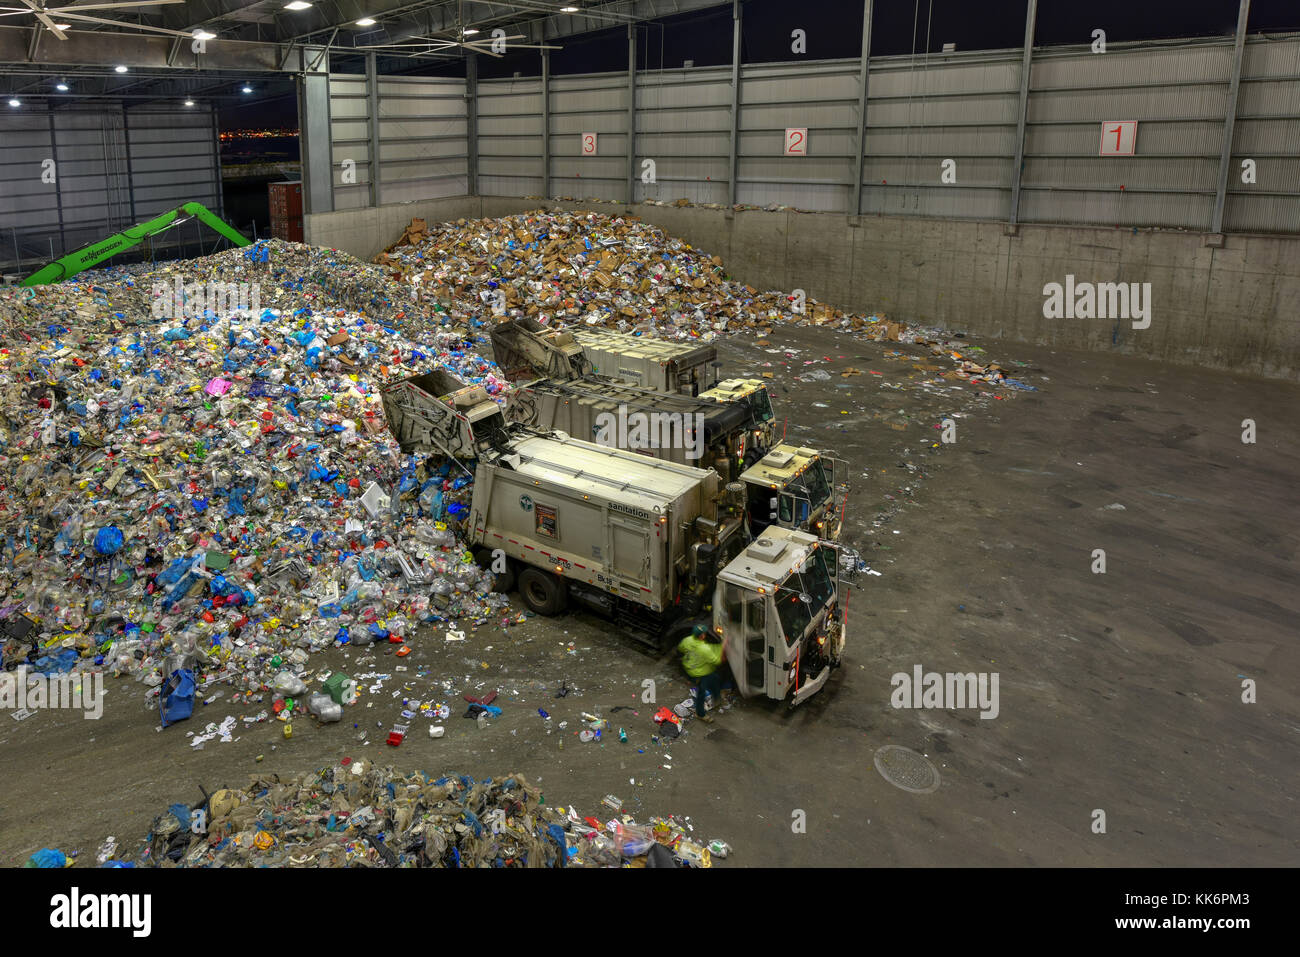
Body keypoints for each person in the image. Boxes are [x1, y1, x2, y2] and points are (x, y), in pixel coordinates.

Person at [677, 624, 732, 722]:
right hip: (700, 674)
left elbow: (681, 648)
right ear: (702, 636)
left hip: (690, 669)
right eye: (704, 633)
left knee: (715, 679)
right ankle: (700, 714)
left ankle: (717, 699)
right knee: (701, 692)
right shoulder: (704, 649)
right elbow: (718, 661)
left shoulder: (687, 640)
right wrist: (724, 645)